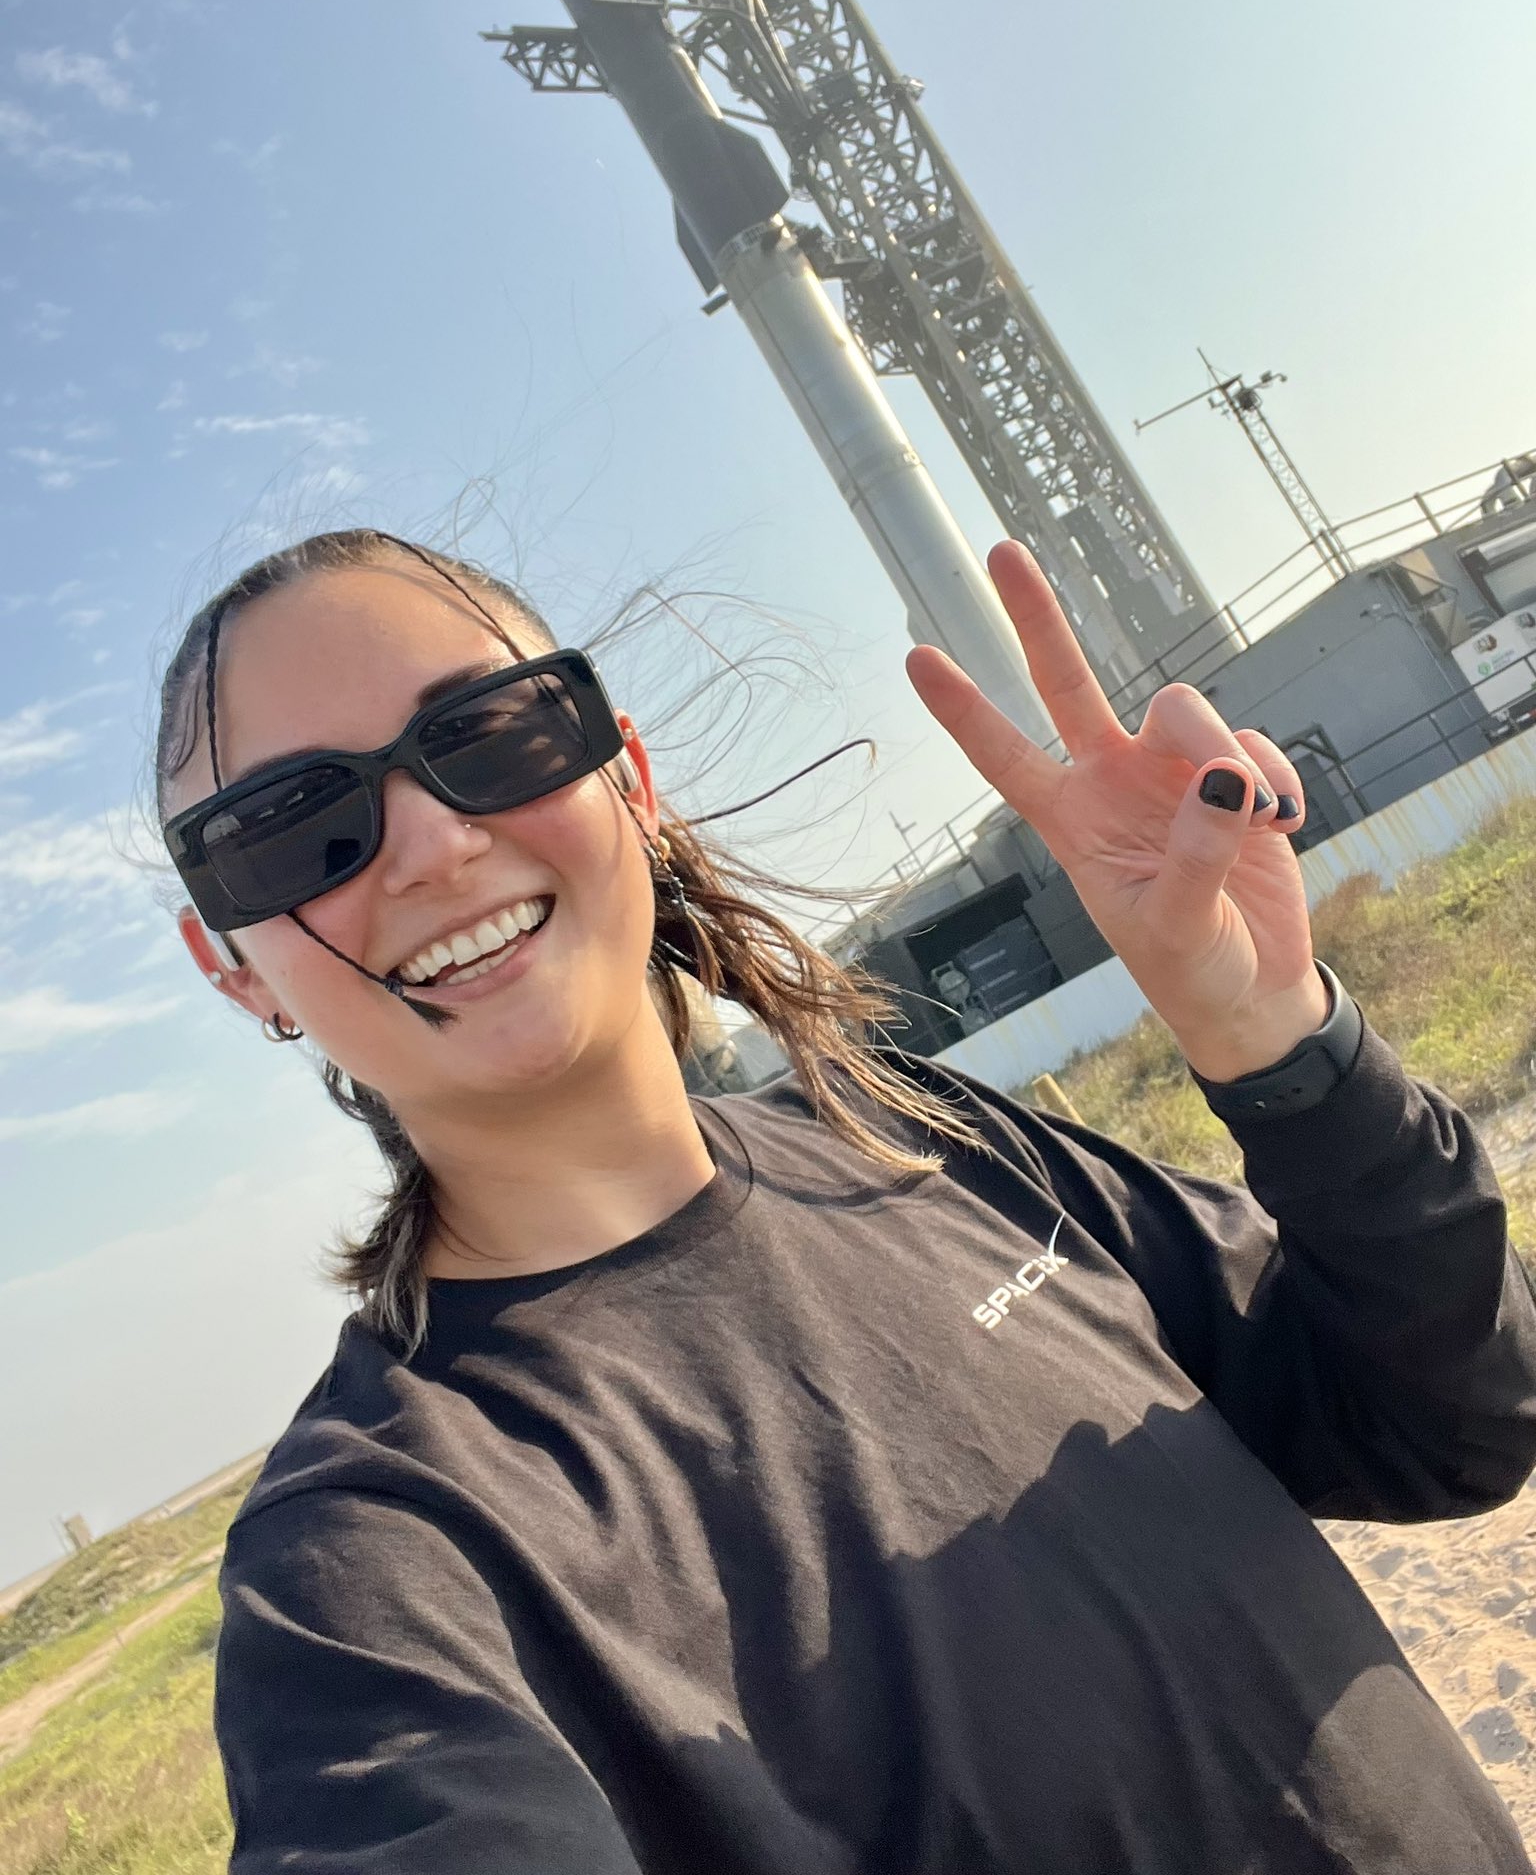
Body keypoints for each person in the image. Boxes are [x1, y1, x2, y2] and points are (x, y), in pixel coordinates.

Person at [154, 525, 1536, 1874]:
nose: (432, 843)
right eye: (290, 828)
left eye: (490, 733)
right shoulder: (381, 1558)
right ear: (236, 969)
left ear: (632, 779)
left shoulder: (916, 1131)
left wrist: (1277, 1038)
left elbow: (1455, 1428)